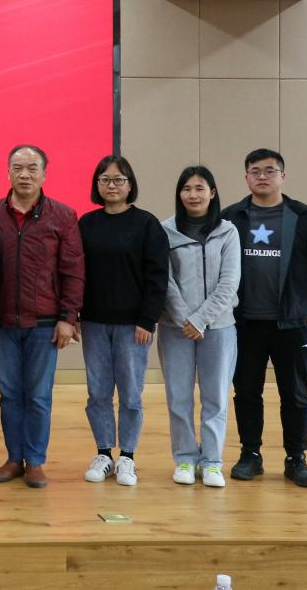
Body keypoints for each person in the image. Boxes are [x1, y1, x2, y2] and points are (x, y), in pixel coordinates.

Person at [224, 148, 307, 489]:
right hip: (244, 324)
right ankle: (250, 455)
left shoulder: (306, 217)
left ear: (282, 176)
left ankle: (296, 459)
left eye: (269, 171)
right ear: (246, 177)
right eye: (255, 171)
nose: (262, 176)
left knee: (295, 395)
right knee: (246, 392)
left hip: (292, 324)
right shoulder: (231, 217)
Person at [0, 145, 84, 489]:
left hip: (45, 322)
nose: (24, 175)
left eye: (32, 168)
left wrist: (68, 317)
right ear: (8, 172)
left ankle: (36, 461)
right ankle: (15, 458)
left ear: (44, 174)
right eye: (17, 168)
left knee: (39, 396)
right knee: (9, 393)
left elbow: (73, 270)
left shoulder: (63, 216)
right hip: (2, 322)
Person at [78, 155, 168, 487]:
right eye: (105, 179)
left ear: (130, 185)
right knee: (98, 391)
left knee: (131, 393)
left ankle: (127, 456)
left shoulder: (147, 224)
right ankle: (104, 453)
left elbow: (158, 276)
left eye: (119, 179)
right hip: (94, 323)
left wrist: (148, 319)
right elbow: (76, 272)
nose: (112, 185)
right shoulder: (86, 224)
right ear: (96, 185)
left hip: (134, 326)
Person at [159, 166, 240, 488]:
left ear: (212, 193)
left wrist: (201, 319)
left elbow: (229, 282)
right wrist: (186, 319)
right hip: (175, 328)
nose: (193, 195)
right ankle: (184, 458)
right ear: (179, 194)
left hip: (219, 327)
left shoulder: (228, 232)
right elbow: (164, 281)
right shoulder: (165, 230)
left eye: (200, 188)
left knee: (215, 397)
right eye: (186, 189)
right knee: (178, 396)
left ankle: (212, 462)